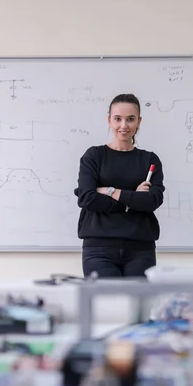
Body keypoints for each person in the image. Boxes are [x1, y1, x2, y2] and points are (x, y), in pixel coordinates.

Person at [74, 93, 165, 278]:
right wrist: (133, 199)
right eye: (118, 119)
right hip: (98, 248)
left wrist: (110, 191)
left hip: (140, 249)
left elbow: (153, 201)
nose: (124, 126)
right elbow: (86, 198)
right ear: (109, 120)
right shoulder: (94, 156)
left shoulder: (150, 159)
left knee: (138, 306)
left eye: (130, 119)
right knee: (106, 306)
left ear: (139, 121)